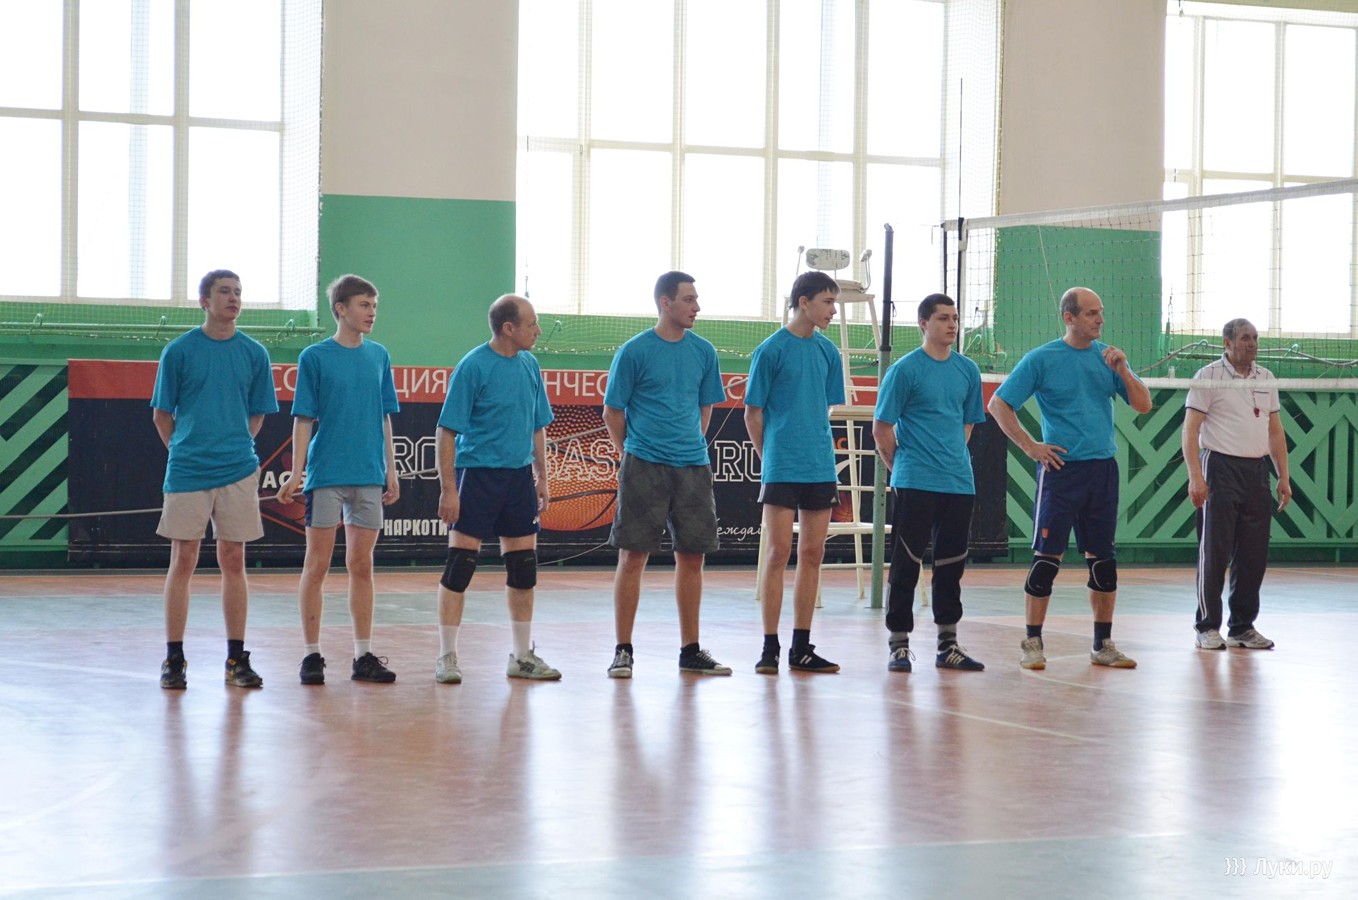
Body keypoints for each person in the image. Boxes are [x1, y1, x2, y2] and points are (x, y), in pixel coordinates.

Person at [987, 286, 1152, 669]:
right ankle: (1032, 642)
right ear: (1069, 317)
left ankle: (1102, 644)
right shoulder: (1042, 359)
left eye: (1101, 312)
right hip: (1061, 472)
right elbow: (998, 404)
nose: (1100, 319)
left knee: (1103, 561)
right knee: (1047, 560)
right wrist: (1031, 446)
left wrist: (1124, 370)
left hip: (1102, 471)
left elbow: (1143, 405)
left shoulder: (1108, 358)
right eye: (1091, 313)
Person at [151, 269, 280, 689]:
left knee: (234, 559)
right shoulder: (179, 351)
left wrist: (236, 447)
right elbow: (162, 415)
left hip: (238, 469)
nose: (233, 298)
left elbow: (257, 414)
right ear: (204, 301)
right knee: (183, 558)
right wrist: (184, 450)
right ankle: (174, 659)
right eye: (224, 291)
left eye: (238, 292)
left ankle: (236, 659)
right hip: (187, 469)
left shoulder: (254, 353)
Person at [603, 271, 730, 678]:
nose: (697, 307)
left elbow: (705, 408)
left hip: (693, 466)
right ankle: (623, 650)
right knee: (632, 556)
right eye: (689, 299)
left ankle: (690, 650)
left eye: (696, 299)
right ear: (665, 303)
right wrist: (631, 452)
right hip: (644, 464)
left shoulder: (704, 352)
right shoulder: (634, 351)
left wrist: (690, 445)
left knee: (692, 557)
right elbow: (613, 412)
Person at [276, 274, 401, 685]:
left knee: (361, 565)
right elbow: (303, 419)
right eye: (364, 305)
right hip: (327, 475)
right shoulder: (314, 357)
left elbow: (385, 417)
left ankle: (363, 655)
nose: (372, 313)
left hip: (368, 476)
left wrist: (391, 469)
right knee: (317, 564)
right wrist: (297, 472)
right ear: (341, 309)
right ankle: (311, 655)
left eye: (375, 306)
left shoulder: (379, 356)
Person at [432, 294, 560, 683]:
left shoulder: (530, 365)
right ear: (508, 328)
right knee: (460, 566)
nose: (538, 330)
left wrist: (542, 476)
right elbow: (446, 431)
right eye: (532, 324)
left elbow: (537, 425)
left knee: (523, 568)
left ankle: (521, 657)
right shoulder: (473, 366)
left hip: (518, 479)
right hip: (478, 476)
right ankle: (447, 656)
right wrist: (449, 489)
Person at [872, 293, 987, 674]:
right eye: (943, 318)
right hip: (915, 481)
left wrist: (950, 459)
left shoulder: (967, 370)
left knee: (951, 565)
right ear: (923, 323)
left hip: (958, 483)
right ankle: (899, 645)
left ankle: (947, 645)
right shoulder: (905, 371)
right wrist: (901, 467)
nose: (952, 325)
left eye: (955, 318)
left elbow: (967, 424)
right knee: (906, 563)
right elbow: (882, 428)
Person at [745, 270, 844, 675]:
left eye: (834, 303)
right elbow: (753, 413)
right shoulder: (770, 350)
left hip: (819, 465)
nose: (833, 311)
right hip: (782, 466)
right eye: (827, 302)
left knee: (812, 553)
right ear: (804, 302)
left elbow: (827, 406)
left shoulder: (828, 352)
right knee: (777, 552)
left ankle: (801, 647)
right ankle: (769, 646)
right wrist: (770, 457)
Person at [1182, 318, 1291, 651]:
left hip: (1256, 471)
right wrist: (1195, 476)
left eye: (1255, 338)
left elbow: (1275, 431)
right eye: (1245, 338)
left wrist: (1283, 476)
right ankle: (1206, 626)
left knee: (1253, 554)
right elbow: (1190, 429)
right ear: (1227, 343)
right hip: (1220, 468)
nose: (1251, 343)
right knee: (1214, 552)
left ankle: (1242, 627)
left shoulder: (1266, 378)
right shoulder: (1209, 376)